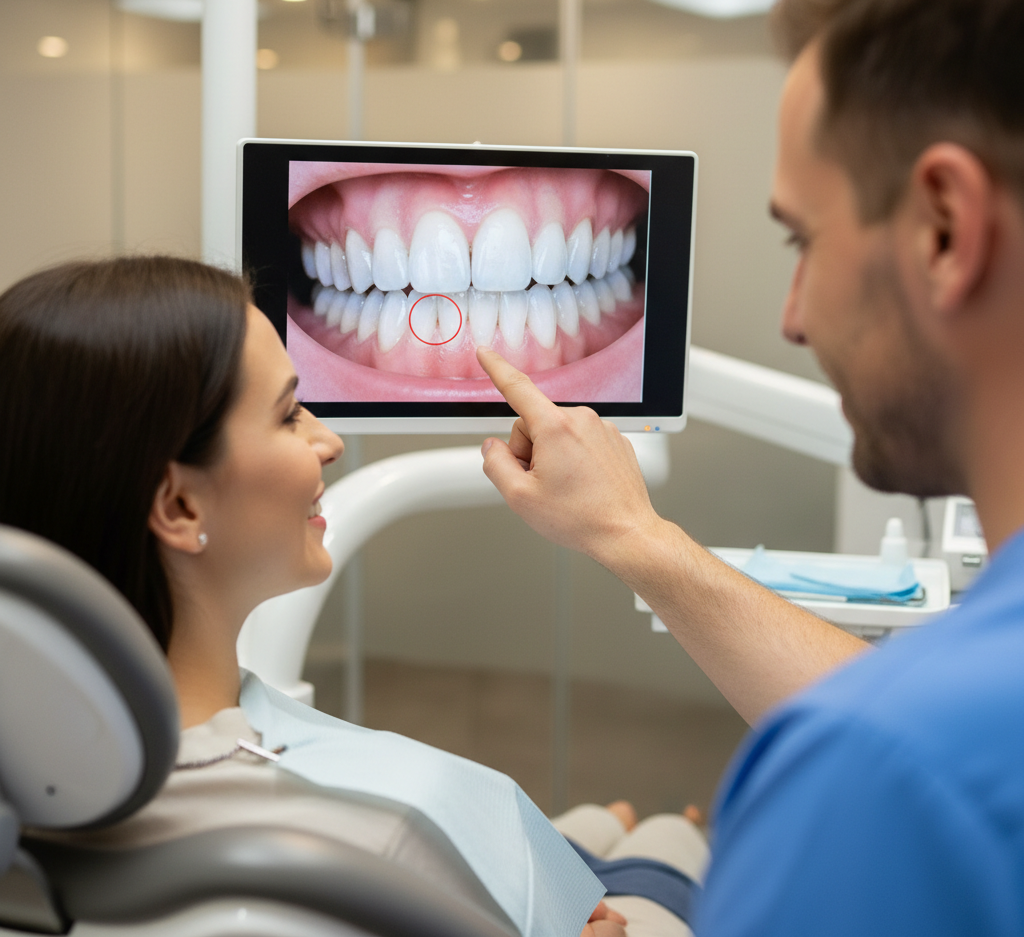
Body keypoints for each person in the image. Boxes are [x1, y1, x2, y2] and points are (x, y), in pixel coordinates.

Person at [473, 0, 1024, 932]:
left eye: (802, 239)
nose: (793, 315)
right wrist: (632, 536)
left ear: (945, 227)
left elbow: (902, 755)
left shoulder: (874, 784)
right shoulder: (941, 737)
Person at [0, 255, 706, 937]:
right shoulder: (372, 838)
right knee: (674, 841)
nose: (329, 441)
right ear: (181, 507)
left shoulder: (33, 776)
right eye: (288, 415)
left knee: (596, 829)